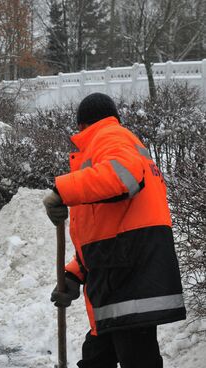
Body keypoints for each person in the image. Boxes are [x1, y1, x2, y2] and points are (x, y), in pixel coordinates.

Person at [42, 93, 185, 368]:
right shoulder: (119, 142)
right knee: (98, 357)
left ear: (83, 125)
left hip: (128, 280)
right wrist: (75, 273)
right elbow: (107, 226)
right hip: (120, 273)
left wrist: (63, 191)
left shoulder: (109, 137)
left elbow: (124, 177)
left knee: (137, 359)